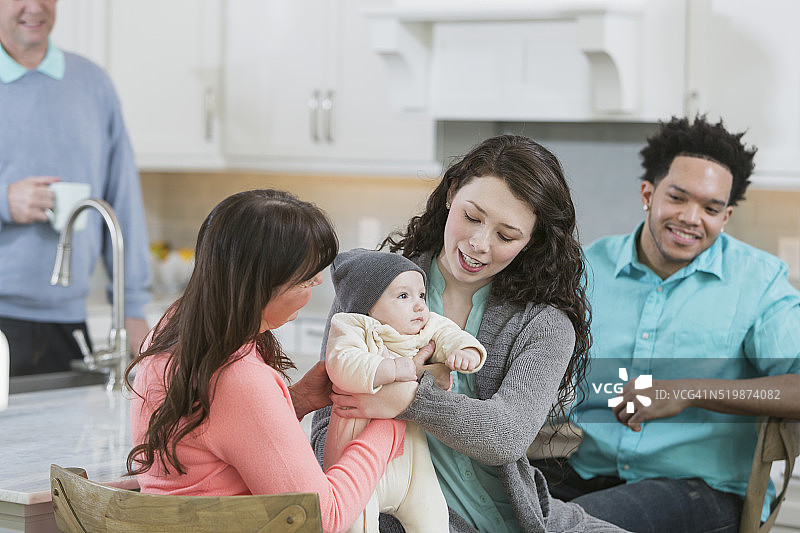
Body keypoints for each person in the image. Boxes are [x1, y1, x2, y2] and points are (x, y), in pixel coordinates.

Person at [311, 135, 628, 533]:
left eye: (506, 236)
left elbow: (506, 435)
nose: (479, 244)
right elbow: (326, 433)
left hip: (529, 520)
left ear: (531, 242)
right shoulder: (372, 289)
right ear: (450, 195)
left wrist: (407, 397)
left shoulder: (544, 323)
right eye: (472, 216)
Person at [534, 116, 800, 533]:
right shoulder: (586, 269)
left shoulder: (758, 281)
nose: (692, 218)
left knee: (565, 528)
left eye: (711, 208)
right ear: (648, 193)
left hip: (702, 489)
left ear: (725, 216)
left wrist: (688, 392)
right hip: (587, 470)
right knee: (474, 509)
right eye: (678, 197)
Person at [127, 189, 406, 533]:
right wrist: (392, 424)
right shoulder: (239, 379)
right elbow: (321, 519)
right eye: (305, 278)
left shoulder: (175, 326)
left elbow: (214, 433)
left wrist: (296, 400)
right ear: (259, 286)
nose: (318, 281)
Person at [0, 0, 151, 375]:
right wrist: (4, 201)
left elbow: (122, 199)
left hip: (70, 321)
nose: (33, 8)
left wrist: (131, 308)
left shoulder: (92, 83)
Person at [324, 248, 487, 533]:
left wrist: (466, 350)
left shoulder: (423, 326)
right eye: (403, 296)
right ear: (369, 305)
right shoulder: (352, 325)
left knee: (433, 516)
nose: (419, 306)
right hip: (359, 460)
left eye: (421, 295)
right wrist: (393, 370)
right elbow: (341, 363)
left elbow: (448, 333)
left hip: (413, 462)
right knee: (356, 522)